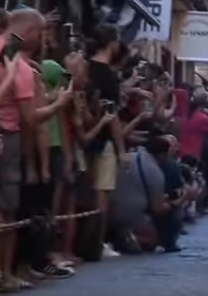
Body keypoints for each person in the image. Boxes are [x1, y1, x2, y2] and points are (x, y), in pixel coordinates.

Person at [85, 24, 131, 258]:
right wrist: (121, 150)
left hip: (82, 137)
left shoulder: (83, 67)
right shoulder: (108, 76)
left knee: (83, 194)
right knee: (101, 194)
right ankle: (96, 244)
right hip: (103, 141)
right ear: (112, 43)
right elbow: (112, 117)